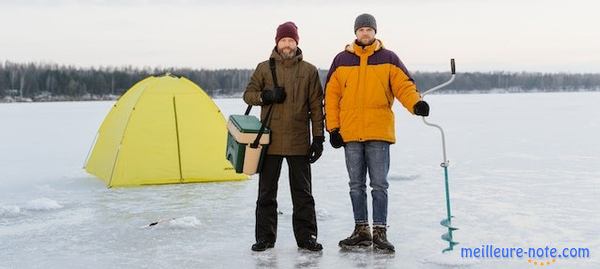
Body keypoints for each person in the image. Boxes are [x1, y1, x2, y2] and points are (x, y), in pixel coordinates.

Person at [324, 13, 430, 252]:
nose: (365, 33)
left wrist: (415, 104)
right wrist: (333, 128)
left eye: (368, 29)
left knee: (379, 185)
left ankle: (379, 231)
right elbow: (331, 97)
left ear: (375, 32)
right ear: (355, 32)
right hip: (350, 133)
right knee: (355, 184)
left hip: (378, 132)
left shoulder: (389, 58)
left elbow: (404, 86)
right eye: (361, 29)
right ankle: (361, 230)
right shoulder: (341, 60)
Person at [243, 21, 325, 252]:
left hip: (299, 141)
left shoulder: (309, 70)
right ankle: (265, 238)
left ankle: (307, 237)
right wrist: (266, 95)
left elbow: (317, 107)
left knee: (303, 194)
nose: (287, 44)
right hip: (270, 141)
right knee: (266, 192)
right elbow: (248, 95)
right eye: (283, 40)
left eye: (291, 40)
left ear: (296, 43)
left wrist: (318, 138)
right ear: (277, 42)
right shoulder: (263, 68)